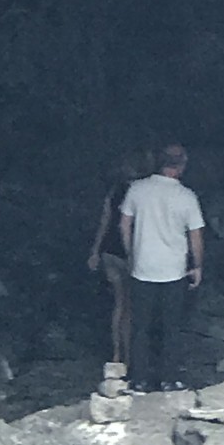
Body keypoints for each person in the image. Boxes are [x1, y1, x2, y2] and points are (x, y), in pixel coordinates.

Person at [119, 143, 204, 388]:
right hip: (174, 270)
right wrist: (197, 265)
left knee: (140, 327)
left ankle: (138, 380)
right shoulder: (186, 196)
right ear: (182, 166)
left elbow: (124, 225)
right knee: (171, 327)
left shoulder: (137, 189)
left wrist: (131, 253)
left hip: (142, 268)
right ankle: (170, 379)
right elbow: (195, 236)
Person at [87, 148, 154, 366]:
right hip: (132, 252)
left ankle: (117, 353)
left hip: (110, 251)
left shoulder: (115, 190)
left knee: (119, 303)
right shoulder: (143, 192)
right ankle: (130, 355)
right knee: (132, 305)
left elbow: (105, 221)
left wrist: (95, 251)